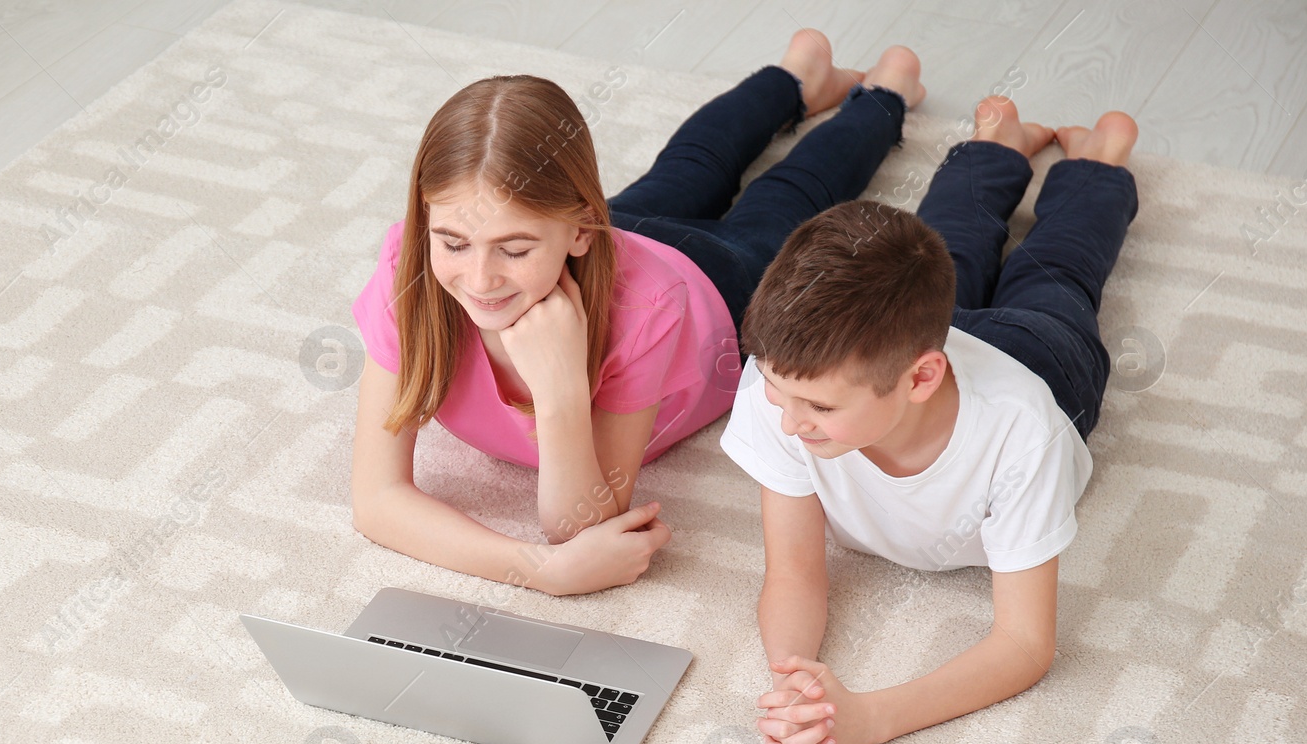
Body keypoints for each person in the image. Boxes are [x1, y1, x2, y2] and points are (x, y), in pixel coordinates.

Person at [350, 32, 926, 595]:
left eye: (513, 249)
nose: (478, 280)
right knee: (689, 167)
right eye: (453, 242)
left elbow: (581, 528)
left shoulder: (646, 311)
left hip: (716, 278)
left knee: (785, 192)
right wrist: (540, 570)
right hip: (604, 243)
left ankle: (885, 94)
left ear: (578, 229)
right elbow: (376, 502)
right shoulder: (411, 267)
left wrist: (560, 396)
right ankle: (798, 75)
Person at [720, 97, 1141, 744]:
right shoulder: (791, 377)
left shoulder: (1022, 434)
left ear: (919, 378)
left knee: (1055, 271)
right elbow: (794, 570)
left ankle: (1097, 165)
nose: (789, 419)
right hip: (912, 352)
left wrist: (868, 719)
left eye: (819, 407)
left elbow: (1025, 643)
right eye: (776, 387)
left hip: (1040, 357)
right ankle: (996, 148)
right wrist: (794, 685)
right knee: (946, 244)